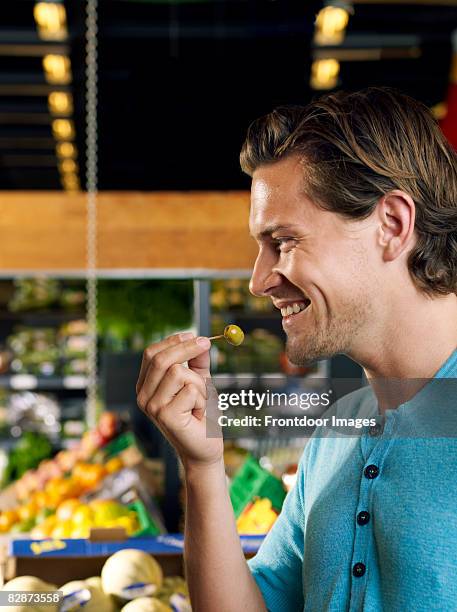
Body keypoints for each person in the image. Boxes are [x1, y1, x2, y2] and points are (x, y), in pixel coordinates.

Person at [136, 87, 457, 611]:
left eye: (283, 242)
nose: (258, 282)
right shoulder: (338, 430)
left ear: (392, 226)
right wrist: (202, 465)